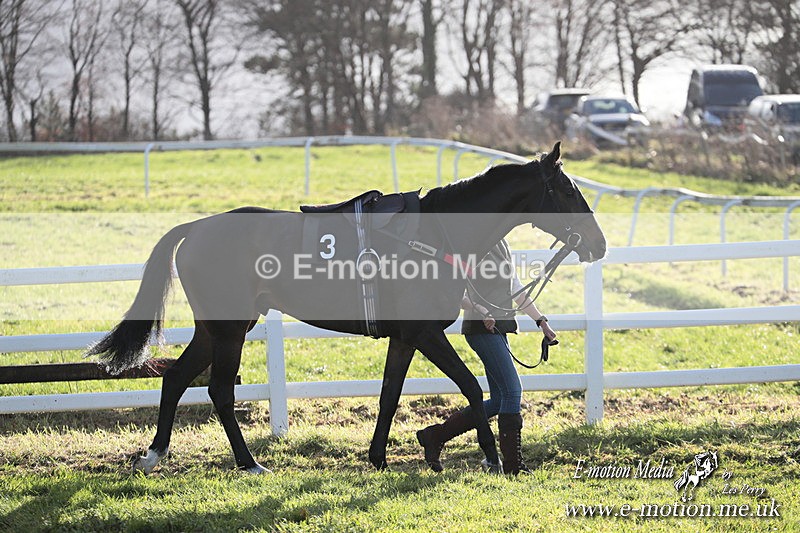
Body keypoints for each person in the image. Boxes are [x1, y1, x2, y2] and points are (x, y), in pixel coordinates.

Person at [416, 239, 557, 474]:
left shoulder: (502, 245)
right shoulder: (470, 244)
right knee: (512, 391)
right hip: (480, 330)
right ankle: (513, 466)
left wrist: (541, 321)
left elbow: (515, 288)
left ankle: (436, 435)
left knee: (500, 399)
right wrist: (480, 309)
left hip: (499, 328)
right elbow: (454, 292)